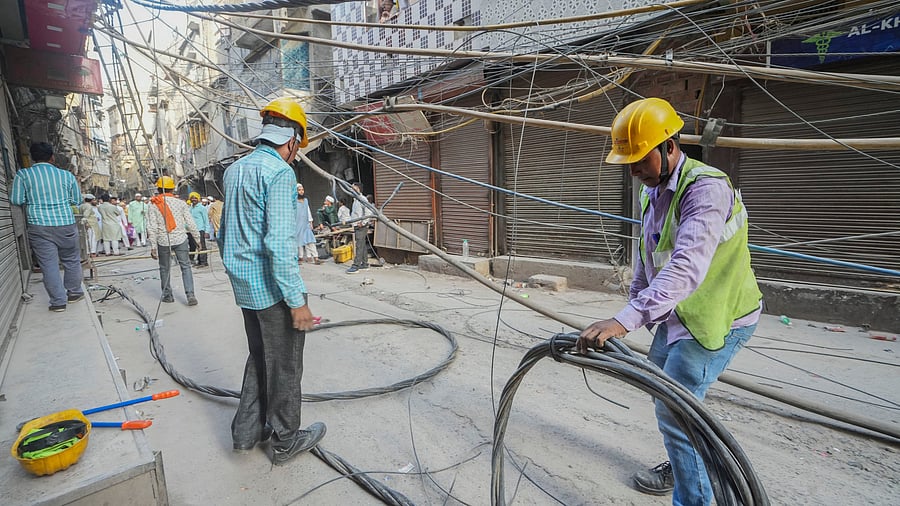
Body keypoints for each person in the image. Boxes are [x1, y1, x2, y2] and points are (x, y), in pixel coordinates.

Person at [576, 98, 762, 506]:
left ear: (670, 146)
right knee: (671, 399)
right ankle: (683, 460)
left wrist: (625, 321)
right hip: (677, 314)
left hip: (718, 317)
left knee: (675, 412)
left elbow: (685, 267)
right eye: (629, 162)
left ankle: (693, 497)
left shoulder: (707, 190)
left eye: (641, 158)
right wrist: (632, 311)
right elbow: (649, 257)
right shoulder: (652, 191)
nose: (634, 170)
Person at [218, 97, 325, 465]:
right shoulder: (279, 173)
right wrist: (297, 301)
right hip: (272, 289)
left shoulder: (234, 171)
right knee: (285, 365)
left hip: (244, 287)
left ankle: (247, 431)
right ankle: (285, 440)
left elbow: (224, 235)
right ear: (293, 140)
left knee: (260, 357)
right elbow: (279, 244)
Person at [10, 142, 85, 312]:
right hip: (66, 223)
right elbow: (77, 200)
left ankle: (58, 302)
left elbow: (16, 200)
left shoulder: (23, 175)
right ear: (52, 157)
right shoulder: (66, 175)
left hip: (39, 225)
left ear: (31, 158)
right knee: (72, 260)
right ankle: (74, 293)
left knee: (48, 264)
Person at [146, 176, 200, 306]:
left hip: (163, 241)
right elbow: (190, 222)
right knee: (186, 267)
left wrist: (153, 246)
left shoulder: (154, 203)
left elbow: (151, 226)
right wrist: (198, 239)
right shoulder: (180, 203)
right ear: (172, 188)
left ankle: (168, 295)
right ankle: (190, 295)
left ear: (158, 189)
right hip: (181, 239)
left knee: (165, 269)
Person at [346, 183, 371, 274]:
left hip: (361, 226)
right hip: (356, 225)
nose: (352, 190)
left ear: (358, 189)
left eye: (353, 188)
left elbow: (368, 212)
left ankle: (356, 265)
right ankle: (364, 263)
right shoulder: (355, 200)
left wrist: (363, 222)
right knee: (362, 244)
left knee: (359, 245)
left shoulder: (362, 199)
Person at [295, 183, 318, 264]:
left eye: (302, 190)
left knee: (310, 240)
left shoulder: (306, 201)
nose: (301, 192)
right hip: (297, 224)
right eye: (299, 190)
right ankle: (300, 257)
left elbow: (308, 211)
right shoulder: (293, 201)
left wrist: (310, 222)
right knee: (299, 241)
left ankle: (315, 257)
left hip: (306, 223)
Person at [188, 192, 209, 267]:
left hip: (200, 230)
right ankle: (199, 261)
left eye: (195, 198)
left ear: (198, 199)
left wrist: (207, 231)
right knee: (195, 246)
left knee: (202, 246)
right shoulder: (190, 208)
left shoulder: (202, 208)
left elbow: (206, 220)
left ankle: (204, 262)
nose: (193, 199)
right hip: (191, 230)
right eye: (192, 198)